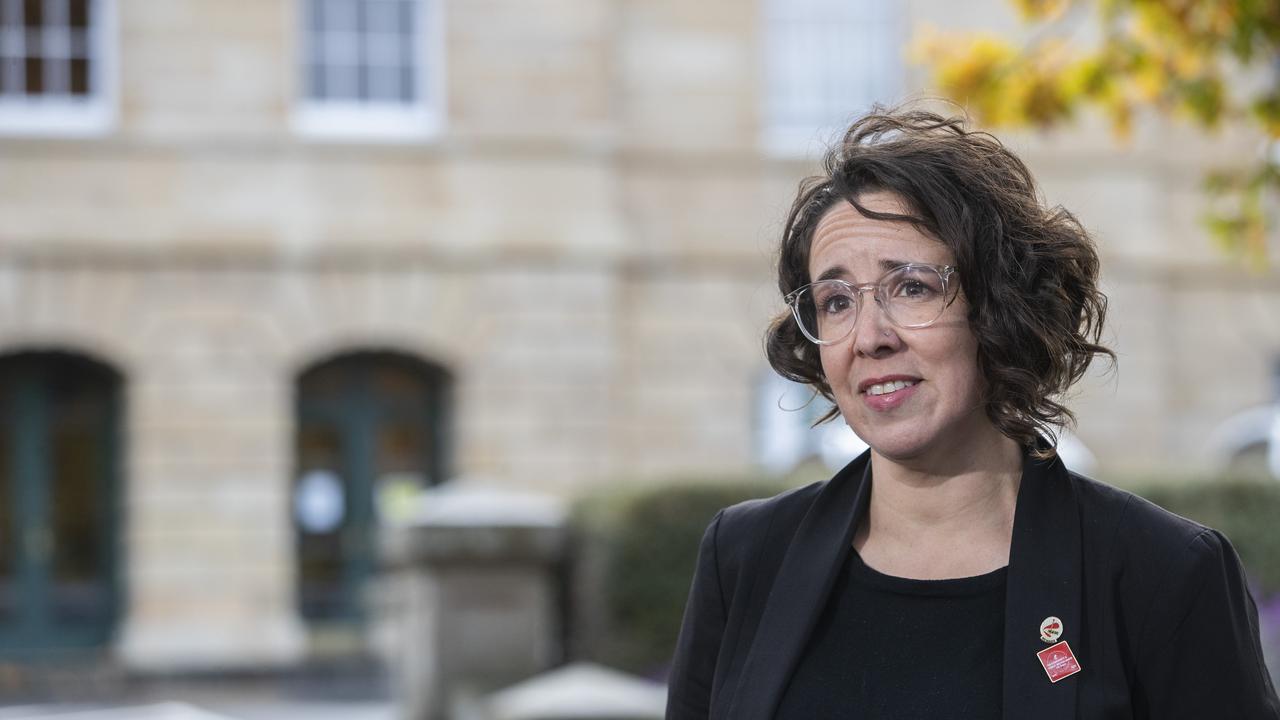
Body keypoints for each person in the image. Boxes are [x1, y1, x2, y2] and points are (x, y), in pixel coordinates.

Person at [665, 106, 1280, 719]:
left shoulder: (1164, 572)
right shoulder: (745, 557)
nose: (869, 336)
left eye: (911, 287)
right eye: (835, 301)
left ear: (997, 308)